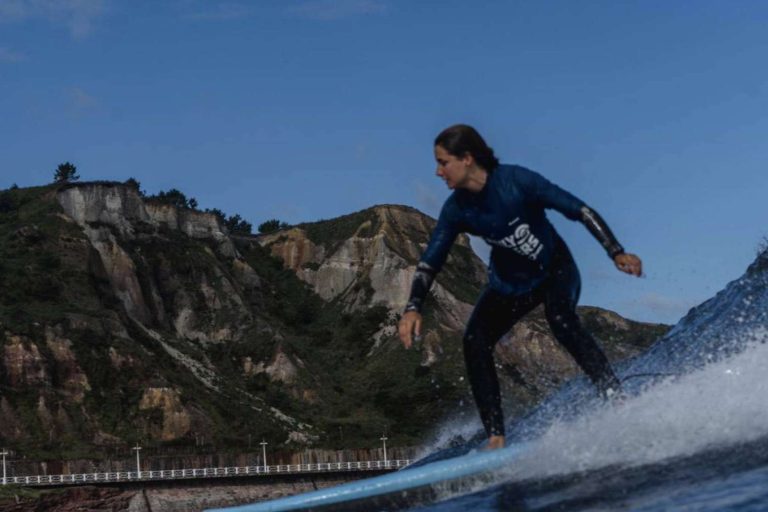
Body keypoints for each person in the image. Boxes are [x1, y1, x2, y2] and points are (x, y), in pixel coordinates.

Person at [398, 124, 642, 450]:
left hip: (555, 270)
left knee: (561, 320)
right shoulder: (457, 208)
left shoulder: (517, 182)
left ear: (467, 158)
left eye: (443, 162)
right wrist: (413, 307)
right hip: (509, 285)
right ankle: (496, 436)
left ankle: (615, 397)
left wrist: (616, 251)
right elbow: (432, 258)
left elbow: (578, 209)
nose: (438, 171)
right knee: (474, 340)